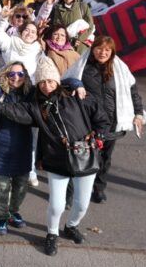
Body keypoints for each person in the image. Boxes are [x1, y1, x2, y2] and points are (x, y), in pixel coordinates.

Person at [33, 63, 109, 256]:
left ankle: (71, 226)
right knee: (57, 204)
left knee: (82, 203)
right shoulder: (37, 102)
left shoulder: (76, 96)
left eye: (50, 81)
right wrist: (40, 158)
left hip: (84, 155)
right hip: (56, 158)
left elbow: (101, 117)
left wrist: (99, 134)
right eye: (42, 82)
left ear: (57, 81)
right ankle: (52, 234)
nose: (46, 86)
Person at [72, 35, 144, 203]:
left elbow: (133, 91)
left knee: (105, 158)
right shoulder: (83, 67)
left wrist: (138, 113)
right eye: (99, 49)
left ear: (112, 52)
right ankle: (78, 190)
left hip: (111, 122)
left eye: (107, 50)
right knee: (82, 156)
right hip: (87, 122)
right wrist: (77, 85)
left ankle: (98, 189)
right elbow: (68, 82)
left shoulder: (120, 68)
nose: (102, 53)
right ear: (92, 49)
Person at [0, 61, 34, 235]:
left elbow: (25, 117)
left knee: (21, 188)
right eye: (11, 74)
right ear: (6, 76)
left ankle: (13, 211)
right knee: (2, 189)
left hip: (22, 150)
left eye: (20, 74)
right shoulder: (0, 93)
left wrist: (77, 85)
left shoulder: (30, 95)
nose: (16, 77)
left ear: (25, 76)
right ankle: (2, 216)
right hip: (0, 149)